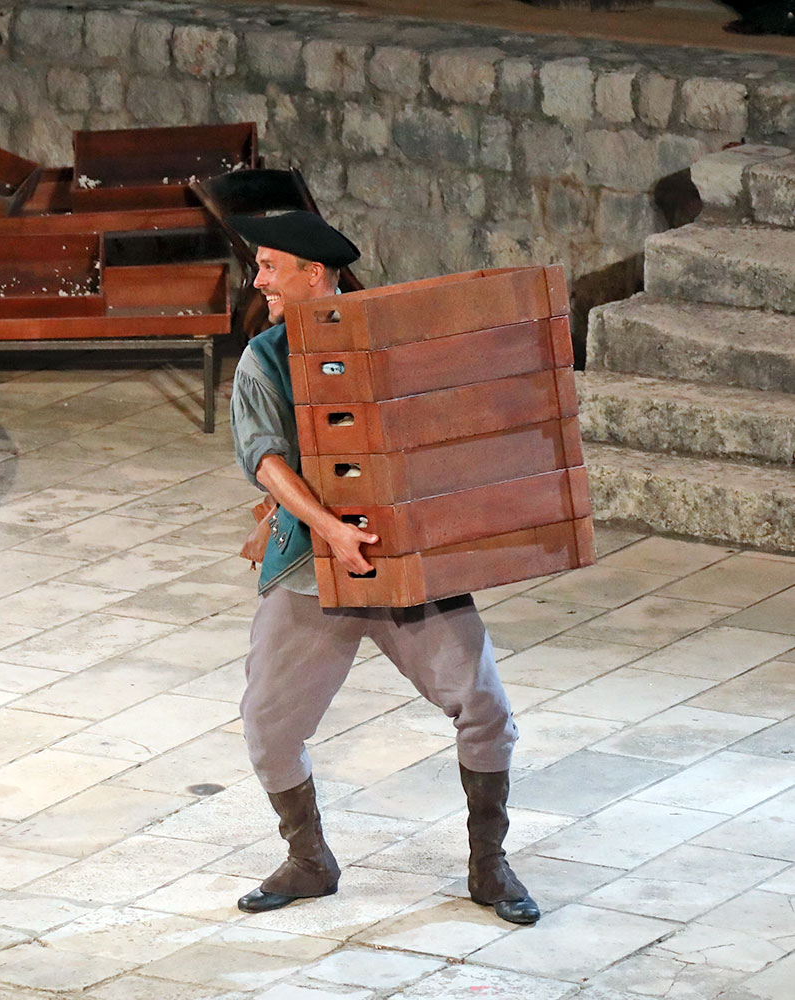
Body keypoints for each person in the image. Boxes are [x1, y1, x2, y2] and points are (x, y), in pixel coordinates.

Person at [226, 211, 539, 925]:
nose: (258, 280)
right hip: (312, 567)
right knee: (268, 725)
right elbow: (265, 460)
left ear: (313, 272)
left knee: (484, 706)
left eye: (270, 266)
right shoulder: (263, 359)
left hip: (405, 564)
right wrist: (330, 529)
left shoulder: (387, 336)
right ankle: (309, 860)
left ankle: (489, 865)